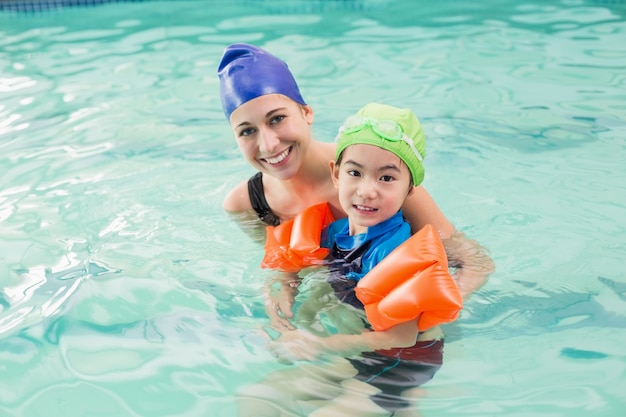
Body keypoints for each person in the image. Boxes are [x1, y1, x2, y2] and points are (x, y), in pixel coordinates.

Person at [217, 43, 494, 332]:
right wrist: (277, 306)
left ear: (307, 113)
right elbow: (285, 270)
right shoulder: (248, 204)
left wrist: (428, 313)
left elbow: (473, 262)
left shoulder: (371, 168)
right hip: (337, 313)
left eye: (277, 119)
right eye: (247, 131)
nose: (269, 144)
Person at [237, 102, 463, 417]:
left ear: (410, 188)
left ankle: (400, 403)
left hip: (403, 359)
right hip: (357, 347)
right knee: (257, 398)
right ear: (336, 174)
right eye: (355, 173)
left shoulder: (399, 255)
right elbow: (322, 284)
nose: (367, 191)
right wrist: (295, 325)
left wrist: (319, 345)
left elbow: (401, 335)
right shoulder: (335, 232)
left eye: (386, 178)